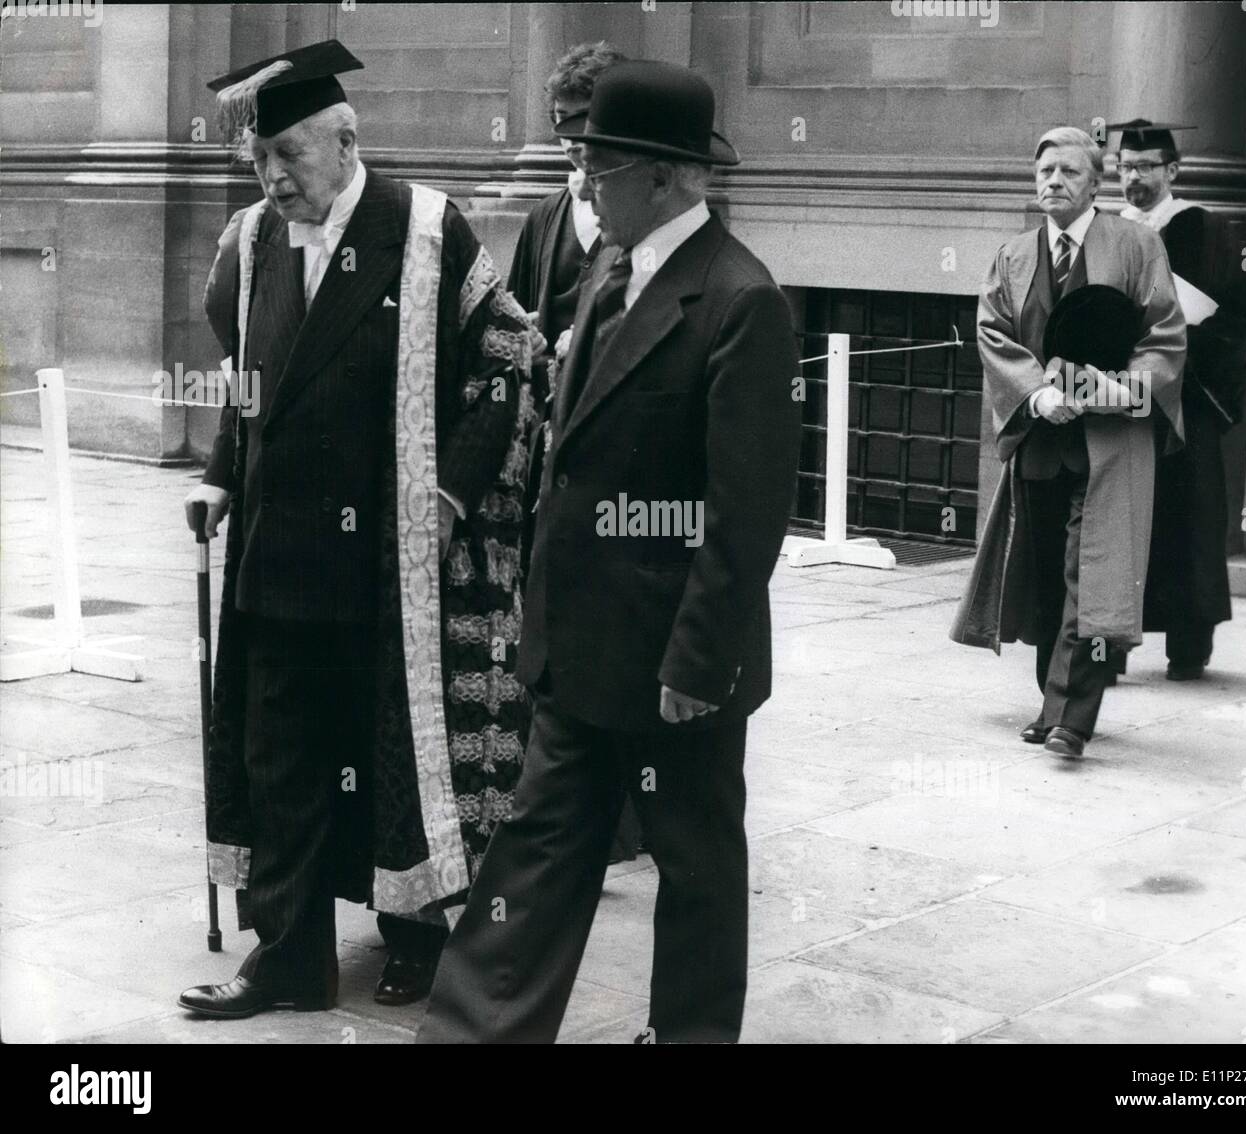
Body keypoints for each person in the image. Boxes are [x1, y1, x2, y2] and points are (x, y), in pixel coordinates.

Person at [416, 60, 802, 1044]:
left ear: (666, 176)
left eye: (600, 165)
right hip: (579, 651)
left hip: (676, 663)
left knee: (697, 868)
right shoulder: (610, 272)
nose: (582, 183)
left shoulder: (739, 300)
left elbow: (745, 514)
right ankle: (472, 1033)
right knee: (534, 858)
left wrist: (696, 661)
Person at [178, 40, 540, 1018]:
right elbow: (249, 384)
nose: (271, 177)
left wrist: (453, 496)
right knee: (279, 750)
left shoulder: (426, 230)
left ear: (345, 141)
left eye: (288, 155)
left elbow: (508, 363)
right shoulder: (249, 243)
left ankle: (417, 936)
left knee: (395, 754)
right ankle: (287, 955)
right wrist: (221, 475)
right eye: (259, 159)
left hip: (391, 561)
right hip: (279, 551)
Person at [950, 126, 1186, 760]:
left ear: (1096, 183)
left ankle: (1072, 718)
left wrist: (1118, 390)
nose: (1054, 182)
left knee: (1097, 574)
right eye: (1046, 171)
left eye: (1070, 173)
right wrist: (1035, 393)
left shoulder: (1137, 246)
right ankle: (1049, 704)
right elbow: (994, 335)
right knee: (1047, 577)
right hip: (1043, 440)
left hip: (1110, 443)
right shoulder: (1013, 257)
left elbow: (1164, 335)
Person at [506, 40, 642, 864]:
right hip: (550, 463)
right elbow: (514, 325)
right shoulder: (546, 219)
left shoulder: (653, 227)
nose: (572, 151)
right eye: (561, 133)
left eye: (584, 132)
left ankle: (629, 817)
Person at [1110, 118, 1246, 681]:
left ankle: (1188, 647)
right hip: (1122, 398)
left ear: (1172, 171)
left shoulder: (1204, 230)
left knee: (1188, 517)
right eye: (1125, 167)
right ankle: (1113, 641)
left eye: (1146, 167)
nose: (1134, 178)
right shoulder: (1107, 230)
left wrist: (1179, 353)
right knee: (1121, 520)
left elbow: (1240, 318)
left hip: (1187, 401)